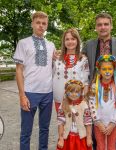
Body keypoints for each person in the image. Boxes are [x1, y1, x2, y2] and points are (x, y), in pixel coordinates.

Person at [82, 12, 116, 150]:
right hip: (94, 93)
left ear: (111, 26)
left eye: (106, 24)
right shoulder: (89, 44)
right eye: (99, 25)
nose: (103, 27)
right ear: (96, 27)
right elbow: (81, 62)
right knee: (97, 129)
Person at [13, 11, 55, 150]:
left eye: (44, 23)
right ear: (32, 24)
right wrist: (22, 95)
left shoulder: (51, 45)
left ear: (47, 26)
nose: (41, 26)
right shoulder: (23, 43)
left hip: (48, 93)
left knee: (45, 129)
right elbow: (19, 70)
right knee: (26, 131)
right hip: (29, 93)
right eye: (38, 23)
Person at [89, 55, 116, 150]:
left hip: (113, 124)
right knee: (100, 146)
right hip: (99, 123)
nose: (107, 72)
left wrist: (113, 123)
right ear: (99, 70)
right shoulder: (94, 86)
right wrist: (97, 121)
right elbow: (91, 105)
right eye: (104, 69)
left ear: (114, 70)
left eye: (110, 69)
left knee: (112, 146)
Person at [53, 28, 90, 113]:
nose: (70, 42)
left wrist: (85, 98)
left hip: (76, 98)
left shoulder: (83, 59)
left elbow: (86, 81)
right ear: (64, 41)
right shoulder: (56, 58)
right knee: (62, 124)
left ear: (77, 41)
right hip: (59, 97)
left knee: (77, 124)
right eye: (67, 39)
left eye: (73, 39)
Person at [56, 80, 92, 150]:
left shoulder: (84, 105)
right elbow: (60, 123)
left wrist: (89, 137)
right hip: (67, 137)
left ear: (81, 93)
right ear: (66, 92)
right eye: (71, 91)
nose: (74, 94)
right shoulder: (63, 105)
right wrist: (61, 138)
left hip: (81, 137)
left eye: (76, 92)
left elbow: (88, 123)